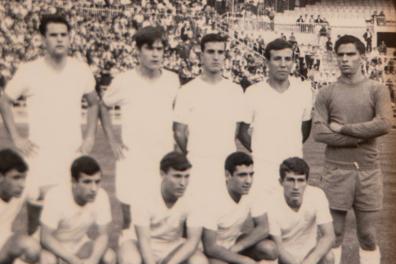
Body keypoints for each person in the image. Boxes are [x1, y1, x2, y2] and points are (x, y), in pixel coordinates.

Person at [0, 14, 99, 229]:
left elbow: (93, 102)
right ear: (43, 39)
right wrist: (16, 137)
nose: (59, 40)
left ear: (70, 37)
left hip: (71, 152)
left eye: (64, 35)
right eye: (53, 35)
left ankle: (60, 260)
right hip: (39, 153)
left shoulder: (80, 69)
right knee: (37, 213)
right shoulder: (30, 70)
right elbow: (5, 100)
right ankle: (35, 260)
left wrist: (90, 135)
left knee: (67, 213)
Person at [312, 35, 393, 264]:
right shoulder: (326, 92)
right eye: (341, 55)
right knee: (334, 234)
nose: (345, 59)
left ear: (362, 56)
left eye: (351, 54)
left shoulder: (377, 89)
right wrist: (361, 136)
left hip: (368, 172)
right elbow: (320, 133)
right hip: (336, 171)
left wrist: (345, 129)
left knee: (367, 235)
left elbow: (385, 123)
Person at [100, 26, 180, 225]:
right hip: (132, 158)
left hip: (162, 158)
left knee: (160, 217)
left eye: (160, 49)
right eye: (149, 48)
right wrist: (112, 140)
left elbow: (178, 115)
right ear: (137, 51)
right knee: (129, 219)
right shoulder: (124, 80)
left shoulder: (172, 80)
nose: (155, 54)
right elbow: (104, 105)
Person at [173, 33, 248, 200]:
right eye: (211, 52)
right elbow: (179, 132)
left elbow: (236, 130)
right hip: (197, 164)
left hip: (226, 166)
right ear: (201, 56)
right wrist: (195, 151)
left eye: (220, 52)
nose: (216, 57)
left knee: (225, 219)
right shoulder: (187, 91)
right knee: (195, 218)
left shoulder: (235, 90)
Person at [117, 152, 209, 264]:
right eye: (177, 176)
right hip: (139, 243)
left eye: (186, 176)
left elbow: (193, 241)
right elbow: (144, 241)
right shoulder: (144, 195)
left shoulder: (194, 196)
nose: (183, 183)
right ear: (162, 174)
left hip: (172, 245)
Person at [239, 39, 313, 192]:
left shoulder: (303, 92)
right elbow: (242, 131)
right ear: (267, 62)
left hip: (293, 167)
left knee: (292, 213)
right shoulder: (253, 92)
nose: (283, 64)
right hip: (262, 168)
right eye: (277, 59)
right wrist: (260, 150)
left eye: (287, 59)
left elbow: (304, 130)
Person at [36, 156, 116, 264]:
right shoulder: (56, 196)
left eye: (97, 181)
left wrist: (91, 262)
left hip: (79, 244)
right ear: (74, 182)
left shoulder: (102, 196)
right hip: (53, 248)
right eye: (87, 182)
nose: (94, 189)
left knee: (109, 258)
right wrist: (75, 262)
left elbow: (103, 235)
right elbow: (45, 238)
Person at [202, 152, 278, 264]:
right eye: (242, 175)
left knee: (269, 248)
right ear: (227, 175)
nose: (248, 180)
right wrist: (246, 261)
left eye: (251, 174)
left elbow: (263, 228)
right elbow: (210, 247)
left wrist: (239, 247)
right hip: (209, 252)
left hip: (233, 244)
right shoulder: (212, 198)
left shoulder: (252, 190)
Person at [269, 157, 335, 264]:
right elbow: (277, 247)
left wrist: (311, 261)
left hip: (308, 253)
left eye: (300, 180)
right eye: (290, 180)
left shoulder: (317, 195)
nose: (296, 186)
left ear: (307, 182)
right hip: (283, 257)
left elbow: (329, 236)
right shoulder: (271, 203)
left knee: (328, 258)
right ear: (281, 181)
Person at [0, 149, 40, 264]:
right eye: (16, 178)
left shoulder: (24, 190)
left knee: (33, 248)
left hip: (5, 245)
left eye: (24, 178)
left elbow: (44, 194)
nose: (22, 184)